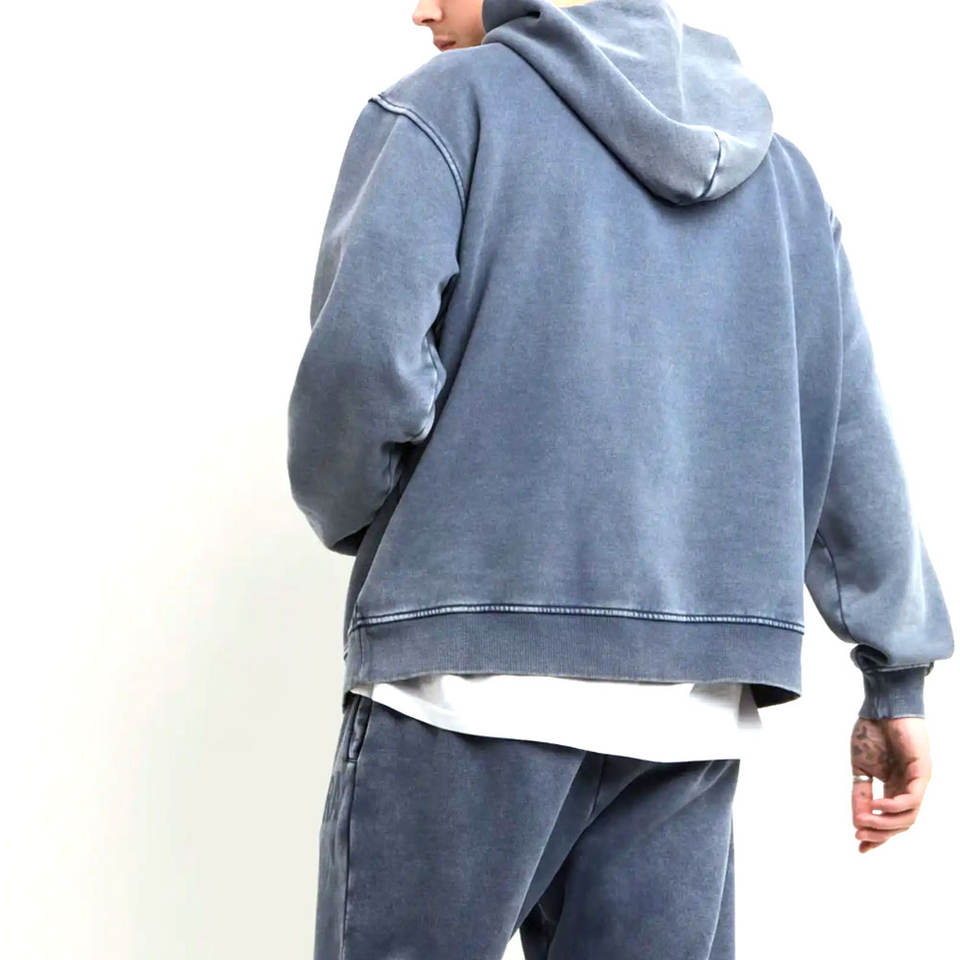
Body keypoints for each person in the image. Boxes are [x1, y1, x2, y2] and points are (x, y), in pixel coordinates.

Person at [286, 1, 955, 956]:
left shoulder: (450, 108)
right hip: (686, 719)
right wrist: (896, 677)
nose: (422, 7)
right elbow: (848, 435)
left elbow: (362, 368)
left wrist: (364, 515)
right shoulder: (781, 177)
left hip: (463, 689)